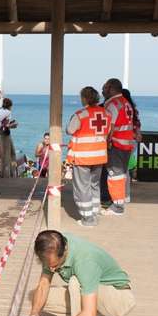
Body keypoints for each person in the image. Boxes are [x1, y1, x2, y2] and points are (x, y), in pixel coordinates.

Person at [18, 230, 135, 316]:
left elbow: (88, 315)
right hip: (93, 289)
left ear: (64, 252)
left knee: (75, 282)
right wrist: (34, 314)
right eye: (49, 265)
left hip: (118, 299)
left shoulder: (85, 261)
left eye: (55, 266)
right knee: (35, 296)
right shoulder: (50, 246)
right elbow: (44, 284)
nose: (52, 269)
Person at [66, 87, 111, 228]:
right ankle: (95, 212)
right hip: (99, 156)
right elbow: (108, 131)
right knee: (95, 185)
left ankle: (87, 219)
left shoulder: (80, 115)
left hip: (83, 157)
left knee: (82, 188)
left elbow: (69, 130)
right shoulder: (106, 113)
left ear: (84, 98)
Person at [101, 78, 135, 216]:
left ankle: (117, 206)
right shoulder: (126, 102)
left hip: (116, 144)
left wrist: (106, 142)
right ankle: (122, 200)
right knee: (121, 174)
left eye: (105, 87)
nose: (102, 90)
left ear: (111, 88)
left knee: (115, 176)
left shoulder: (113, 104)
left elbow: (110, 127)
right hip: (127, 143)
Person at [122, 88, 142, 203]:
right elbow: (138, 124)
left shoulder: (121, 108)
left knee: (122, 170)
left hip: (124, 140)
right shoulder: (134, 110)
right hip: (133, 140)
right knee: (125, 169)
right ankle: (126, 195)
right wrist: (138, 134)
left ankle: (124, 194)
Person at [0, 97, 18, 178]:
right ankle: (6, 175)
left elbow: (0, 122)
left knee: (12, 153)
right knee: (6, 155)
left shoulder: (0, 110)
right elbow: (3, 125)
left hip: (3, 134)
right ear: (10, 106)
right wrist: (13, 125)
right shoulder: (8, 112)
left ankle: (12, 172)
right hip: (4, 134)